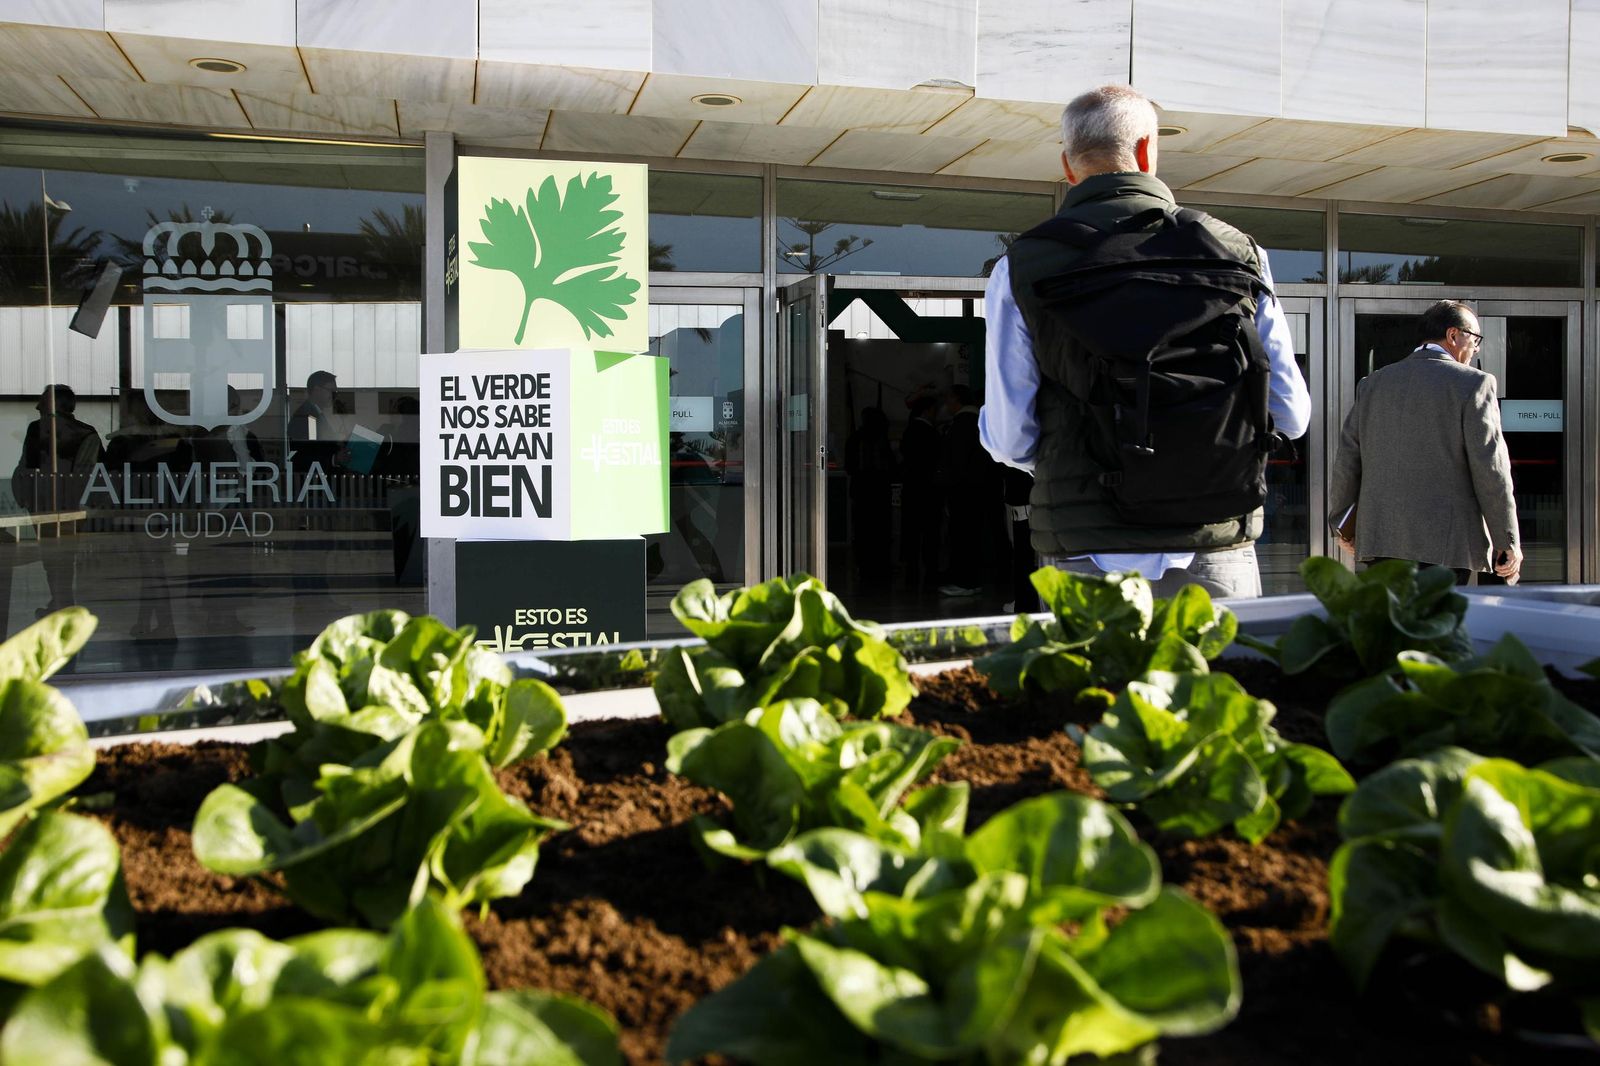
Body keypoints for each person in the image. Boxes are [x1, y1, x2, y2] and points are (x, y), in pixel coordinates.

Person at [979, 84, 1310, 600]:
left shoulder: (1021, 266)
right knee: (1218, 678)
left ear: (1068, 166)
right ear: (1146, 152)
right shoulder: (1239, 253)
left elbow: (1008, 438)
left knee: (1090, 682)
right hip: (1214, 537)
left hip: (1086, 545)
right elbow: (1290, 414)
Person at [1327, 300, 1521, 586]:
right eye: (1475, 338)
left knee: (1392, 625)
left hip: (1380, 539)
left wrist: (1341, 524)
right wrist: (1506, 538)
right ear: (1454, 335)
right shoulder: (1474, 384)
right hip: (1447, 543)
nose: (1477, 348)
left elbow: (1347, 459)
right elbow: (1491, 468)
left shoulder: (1374, 383)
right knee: (1436, 625)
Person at [937, 385, 1002, 598]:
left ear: (956, 400)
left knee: (963, 536)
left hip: (963, 492)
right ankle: (970, 580)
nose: (946, 405)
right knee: (973, 535)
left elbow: (956, 463)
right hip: (981, 490)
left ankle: (966, 581)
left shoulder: (960, 425)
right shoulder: (980, 422)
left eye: (948, 399)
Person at [897, 392, 943, 591]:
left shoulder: (909, 431)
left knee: (912, 533)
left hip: (911, 489)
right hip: (929, 491)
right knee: (930, 533)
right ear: (927, 411)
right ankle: (931, 572)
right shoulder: (930, 433)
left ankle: (912, 572)